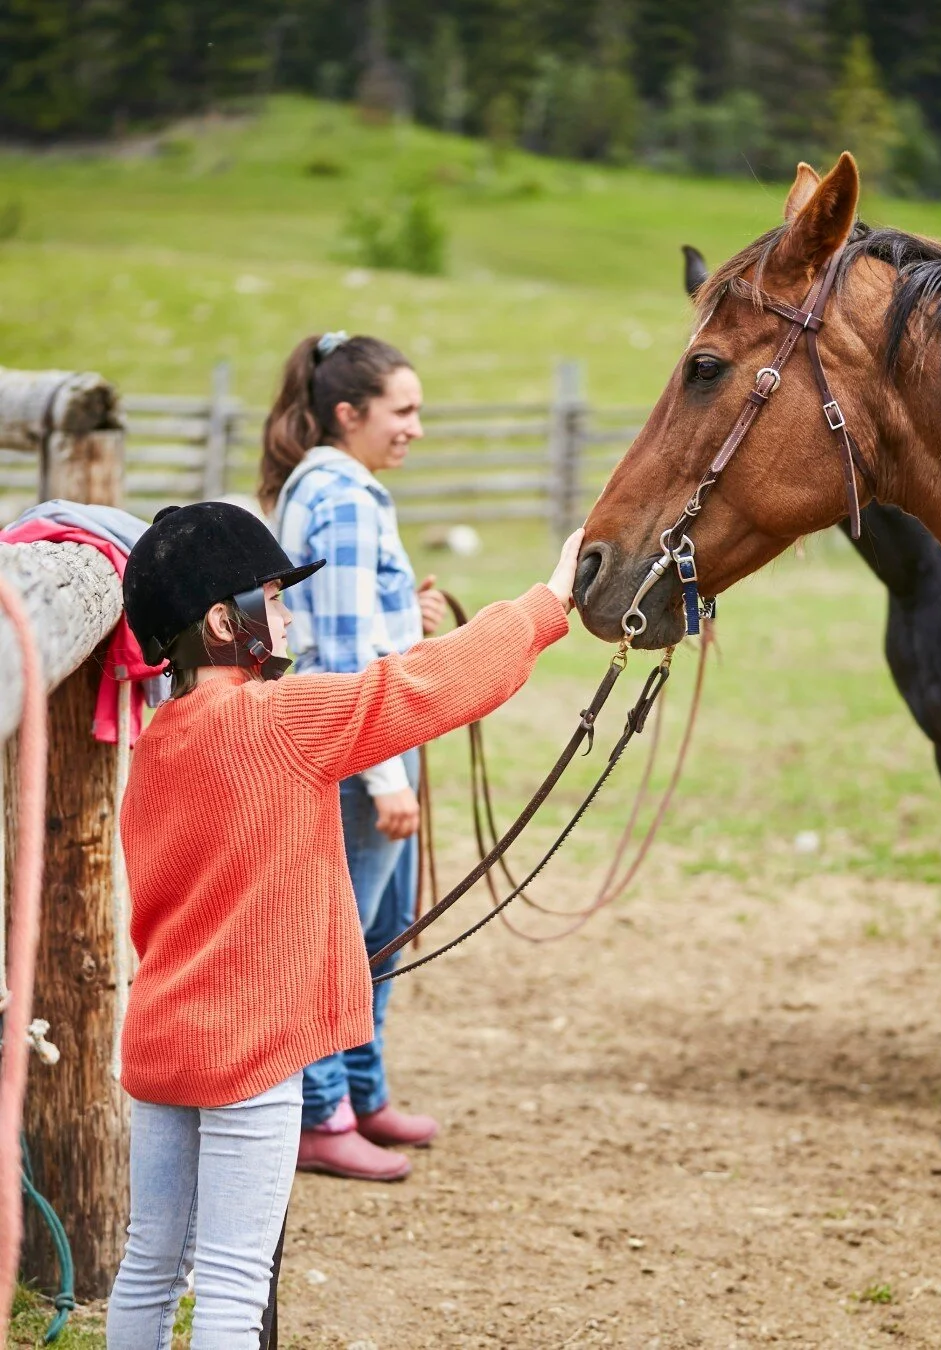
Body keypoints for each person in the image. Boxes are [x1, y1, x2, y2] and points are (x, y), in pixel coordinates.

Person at [106, 500, 582, 1348]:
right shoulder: (282, 720)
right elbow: (418, 686)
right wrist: (548, 603)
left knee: (151, 1263)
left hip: (162, 1038)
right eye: (275, 600)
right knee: (231, 1281)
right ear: (225, 622)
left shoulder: (156, 744)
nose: (288, 616)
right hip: (249, 1047)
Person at [258, 331, 443, 1181]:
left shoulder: (342, 489)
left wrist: (412, 615)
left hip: (368, 739)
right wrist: (384, 775)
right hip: (355, 749)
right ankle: (317, 1111)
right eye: (401, 411)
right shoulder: (341, 496)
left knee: (379, 934)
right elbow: (337, 649)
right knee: (339, 940)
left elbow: (363, 618)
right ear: (348, 412)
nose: (414, 427)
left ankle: (360, 1093)